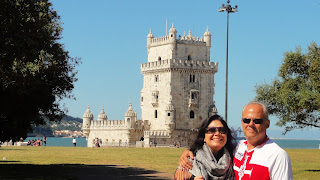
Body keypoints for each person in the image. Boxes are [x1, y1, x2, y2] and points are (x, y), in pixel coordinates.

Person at [179, 102, 293, 180]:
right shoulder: (237, 147)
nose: (251, 124)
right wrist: (189, 151)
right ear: (242, 122)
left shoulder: (278, 156)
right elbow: (213, 146)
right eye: (246, 120)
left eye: (257, 120)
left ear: (267, 124)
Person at [174, 115, 236, 180]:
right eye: (212, 130)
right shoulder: (189, 162)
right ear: (204, 138)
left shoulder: (234, 158)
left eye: (222, 130)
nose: (217, 133)